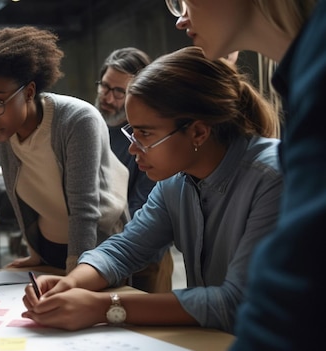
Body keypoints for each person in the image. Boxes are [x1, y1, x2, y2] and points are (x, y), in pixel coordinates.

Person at [22, 46, 282, 334]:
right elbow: (125, 249)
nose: (133, 148)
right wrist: (71, 283)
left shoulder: (273, 179)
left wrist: (104, 307)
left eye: (145, 134)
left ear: (198, 132)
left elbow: (237, 302)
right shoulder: (176, 182)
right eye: (131, 132)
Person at [167, 0, 324, 349]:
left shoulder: (317, 64)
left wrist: (111, 305)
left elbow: (299, 284)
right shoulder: (303, 69)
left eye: (182, 1)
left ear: (197, 132)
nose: (180, 19)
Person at [0, 26, 131, 274]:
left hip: (97, 251)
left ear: (28, 92)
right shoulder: (4, 128)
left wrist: (76, 273)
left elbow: (85, 209)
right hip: (48, 252)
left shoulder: (78, 120)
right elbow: (17, 196)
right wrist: (35, 253)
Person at [95, 48, 172, 293]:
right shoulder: (95, 126)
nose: (108, 97)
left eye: (119, 92)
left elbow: (144, 210)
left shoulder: (149, 137)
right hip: (101, 253)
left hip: (143, 260)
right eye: (105, 86)